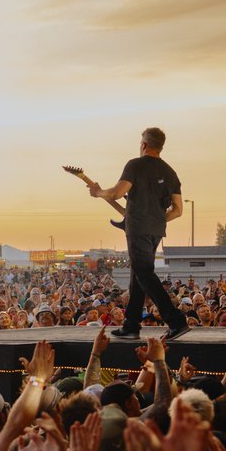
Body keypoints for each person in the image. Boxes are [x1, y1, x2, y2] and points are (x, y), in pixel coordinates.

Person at [85, 128, 190, 339]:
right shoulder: (171, 173)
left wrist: (98, 193)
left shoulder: (135, 165)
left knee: (144, 274)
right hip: (156, 231)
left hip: (138, 230)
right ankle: (131, 325)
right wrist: (157, 219)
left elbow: (117, 192)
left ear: (143, 144)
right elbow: (178, 210)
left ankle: (176, 321)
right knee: (137, 276)